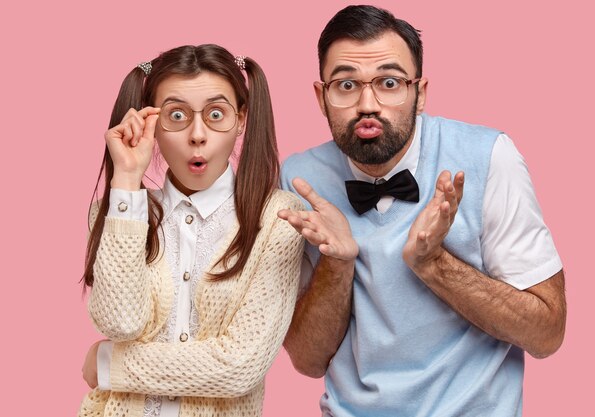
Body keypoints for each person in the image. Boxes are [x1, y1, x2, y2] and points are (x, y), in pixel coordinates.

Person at [278, 5, 566, 417]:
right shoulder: (299, 178)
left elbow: (547, 333)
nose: (367, 104)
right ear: (321, 97)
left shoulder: (488, 157)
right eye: (345, 85)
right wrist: (337, 264)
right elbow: (307, 361)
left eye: (389, 82)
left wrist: (434, 264)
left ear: (420, 92)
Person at [78, 44, 304, 417]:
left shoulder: (279, 218)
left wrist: (109, 363)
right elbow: (120, 322)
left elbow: (239, 366)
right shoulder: (117, 211)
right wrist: (128, 181)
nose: (197, 135)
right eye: (177, 115)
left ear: (242, 119)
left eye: (216, 114)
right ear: (150, 122)